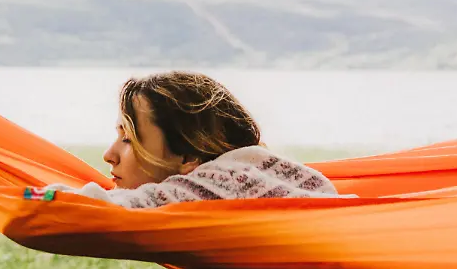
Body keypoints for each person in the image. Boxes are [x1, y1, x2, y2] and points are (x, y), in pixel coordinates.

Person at [43, 71, 343, 208]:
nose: (109, 155)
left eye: (130, 140)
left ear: (187, 158)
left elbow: (124, 207)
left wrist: (47, 197)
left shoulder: (222, 181)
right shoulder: (257, 171)